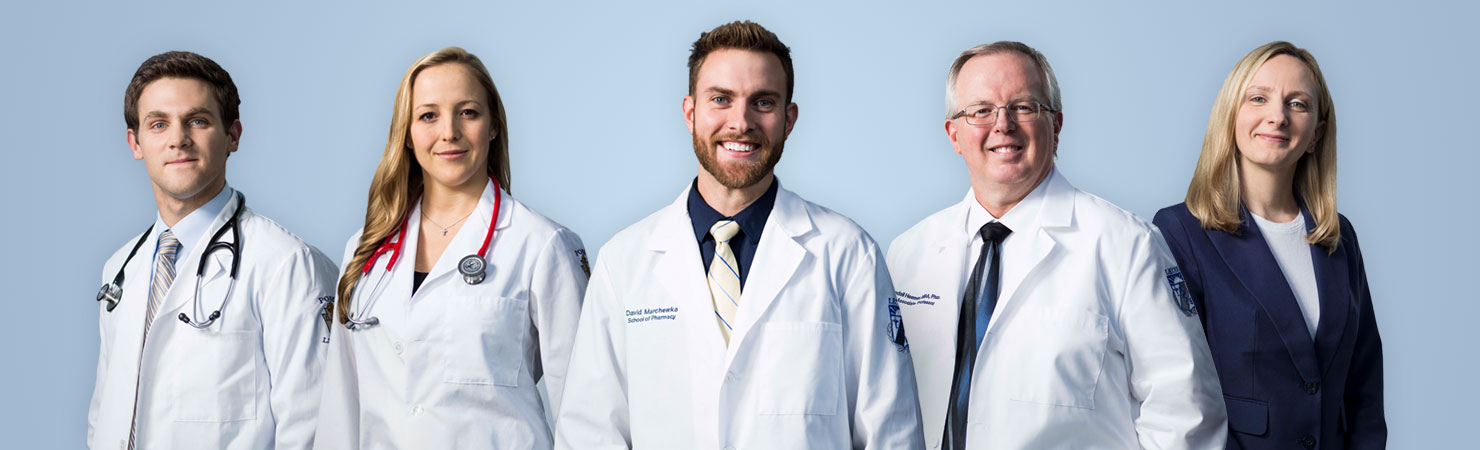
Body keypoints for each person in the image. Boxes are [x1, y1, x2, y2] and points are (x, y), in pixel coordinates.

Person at [554, 21, 925, 449]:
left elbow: (891, 431)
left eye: (762, 102)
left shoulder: (847, 253)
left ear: (788, 119)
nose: (741, 122)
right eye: (720, 100)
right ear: (691, 113)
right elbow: (589, 432)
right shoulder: (624, 261)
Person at [887, 41, 1227, 449]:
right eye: (980, 111)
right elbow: (886, 406)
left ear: (1057, 125)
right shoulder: (908, 253)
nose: (1003, 125)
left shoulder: (1126, 244)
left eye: (1024, 107)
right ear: (954, 134)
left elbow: (1188, 414)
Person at [313, 47, 589, 449]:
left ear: (493, 125)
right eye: (428, 115)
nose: (449, 132)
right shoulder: (365, 250)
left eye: (468, 112)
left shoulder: (542, 245)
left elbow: (584, 412)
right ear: (406, 133)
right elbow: (339, 410)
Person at [89, 51, 338, 450]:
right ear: (135, 142)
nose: (178, 139)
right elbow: (106, 416)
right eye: (158, 124)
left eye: (198, 121)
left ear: (233, 135)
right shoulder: (120, 269)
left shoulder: (287, 264)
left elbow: (317, 431)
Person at [1152, 41, 1385, 449]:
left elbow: (1364, 386)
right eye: (1258, 98)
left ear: (1316, 134)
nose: (1277, 117)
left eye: (1298, 104)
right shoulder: (1180, 231)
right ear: (1232, 117)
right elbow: (1176, 391)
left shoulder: (1339, 238)